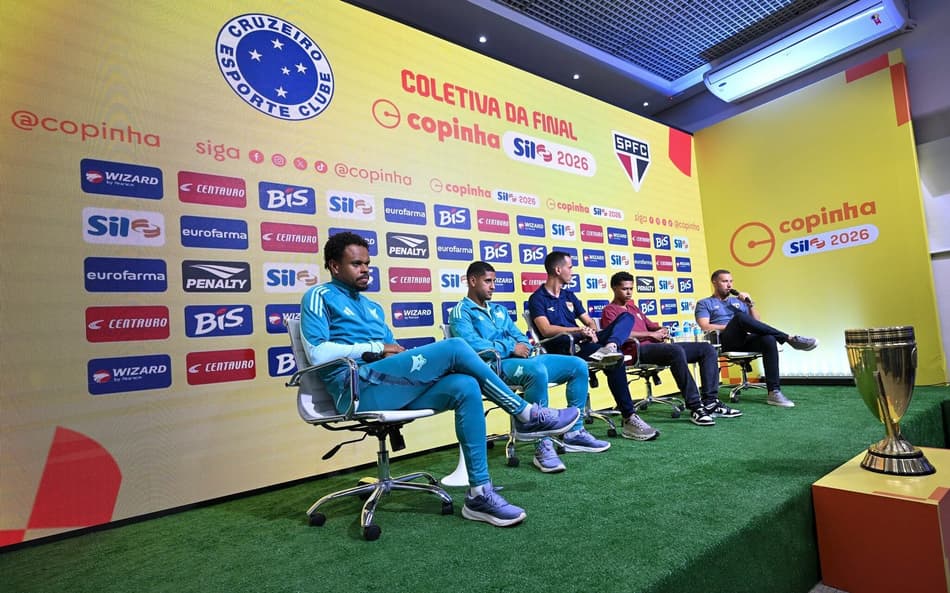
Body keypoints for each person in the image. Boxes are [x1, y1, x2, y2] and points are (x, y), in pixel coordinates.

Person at [300, 232, 580, 527]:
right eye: (356, 264)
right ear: (334, 266)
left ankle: (479, 494)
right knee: (456, 347)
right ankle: (525, 413)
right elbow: (317, 353)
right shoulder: (319, 296)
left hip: (387, 384)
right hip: (356, 389)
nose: (365, 269)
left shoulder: (372, 307)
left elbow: (391, 352)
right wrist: (375, 348)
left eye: (367, 263)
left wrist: (391, 354)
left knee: (465, 385)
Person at [449, 261, 610, 474]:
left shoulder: (498, 310)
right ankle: (542, 444)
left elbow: (520, 337)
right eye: (488, 281)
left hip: (522, 360)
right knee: (536, 371)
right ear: (472, 281)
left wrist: (520, 345)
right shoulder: (461, 311)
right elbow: (472, 346)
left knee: (578, 365)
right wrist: (511, 347)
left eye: (494, 281)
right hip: (492, 368)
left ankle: (575, 433)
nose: (493, 286)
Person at [527, 251, 659, 441]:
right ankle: (629, 417)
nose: (572, 272)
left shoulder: (569, 296)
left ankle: (611, 346)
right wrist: (578, 331)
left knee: (626, 317)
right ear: (558, 269)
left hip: (586, 342)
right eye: (570, 267)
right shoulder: (537, 298)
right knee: (616, 362)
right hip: (565, 349)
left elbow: (589, 322)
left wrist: (589, 331)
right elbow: (546, 330)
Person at [602, 271, 741, 426]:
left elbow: (651, 325)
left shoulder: (633, 307)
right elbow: (616, 335)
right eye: (624, 289)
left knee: (706, 348)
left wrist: (662, 329)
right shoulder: (610, 310)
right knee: (675, 351)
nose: (629, 292)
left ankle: (710, 402)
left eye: (631, 289)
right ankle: (695, 406)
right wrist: (651, 334)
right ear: (614, 288)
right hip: (637, 351)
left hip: (657, 347)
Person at [694, 269, 818, 408]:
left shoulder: (738, 302)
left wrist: (750, 304)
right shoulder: (705, 303)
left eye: (730, 281)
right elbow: (705, 326)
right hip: (726, 341)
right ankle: (788, 338)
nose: (729, 285)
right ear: (715, 282)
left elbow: (756, 322)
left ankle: (774, 392)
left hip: (745, 339)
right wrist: (732, 326)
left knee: (769, 339)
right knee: (740, 318)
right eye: (724, 281)